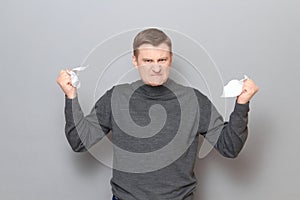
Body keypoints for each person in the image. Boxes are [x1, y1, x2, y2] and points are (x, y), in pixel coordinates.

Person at [57, 28, 259, 200]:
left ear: (170, 59)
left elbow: (230, 148)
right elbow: (79, 142)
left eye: (162, 59)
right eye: (148, 60)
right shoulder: (116, 97)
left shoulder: (194, 100)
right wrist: (71, 96)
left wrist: (242, 104)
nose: (156, 68)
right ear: (135, 61)